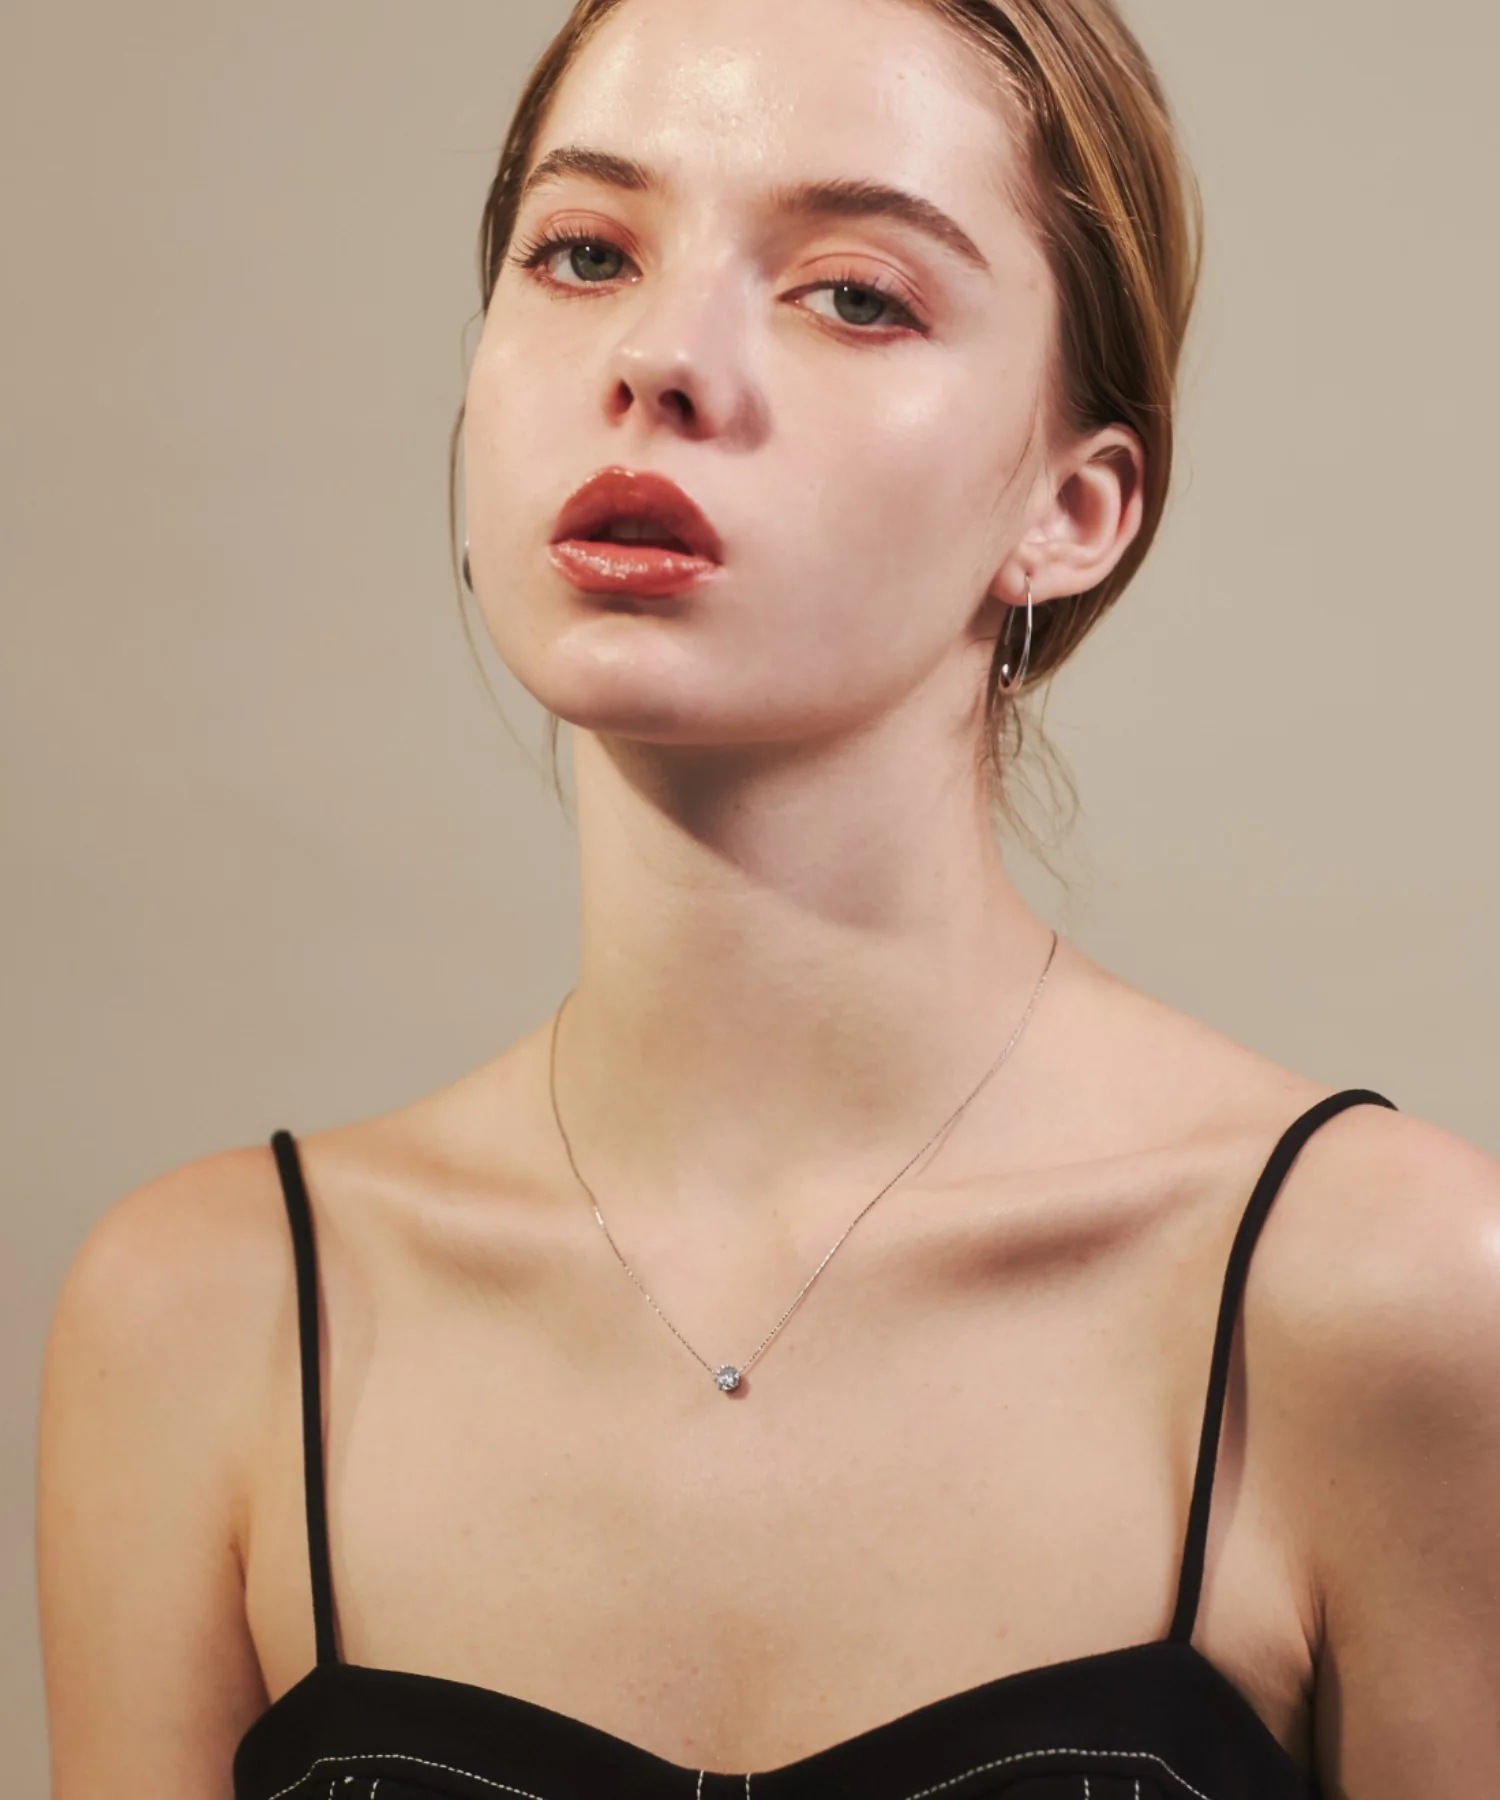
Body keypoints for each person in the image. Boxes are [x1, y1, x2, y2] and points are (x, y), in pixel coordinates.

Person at [36, 0, 1500, 1794]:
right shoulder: (209, 1320)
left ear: (1075, 507)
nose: (660, 358)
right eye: (585, 252)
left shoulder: (1393, 1301)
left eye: (855, 293)